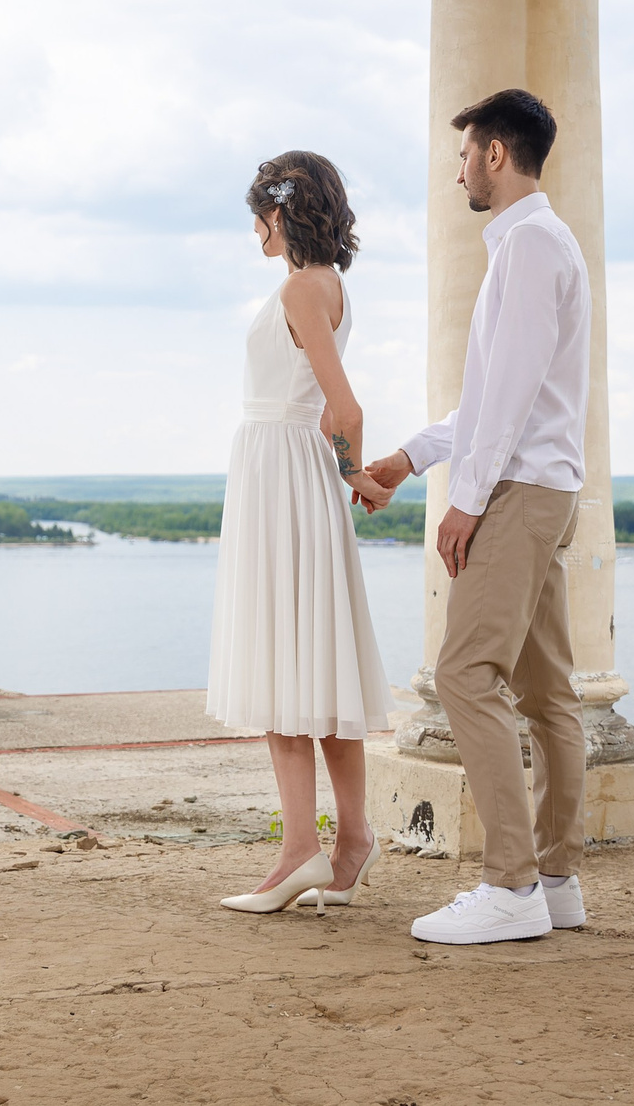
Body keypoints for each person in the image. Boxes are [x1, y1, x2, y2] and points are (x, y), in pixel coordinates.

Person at [362, 87, 592, 945]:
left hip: (519, 493)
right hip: (543, 486)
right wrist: (413, 456)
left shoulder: (530, 244)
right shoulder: (537, 244)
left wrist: (464, 501)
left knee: (464, 674)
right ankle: (556, 879)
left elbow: (515, 390)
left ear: (496, 153)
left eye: (464, 153)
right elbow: (495, 398)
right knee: (547, 693)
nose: (457, 168)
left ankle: (511, 884)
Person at [205, 151, 400, 914]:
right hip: (291, 472)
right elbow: (326, 405)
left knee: (283, 668)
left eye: (258, 212)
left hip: (281, 475)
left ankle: (300, 851)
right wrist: (345, 474)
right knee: (317, 671)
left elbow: (343, 408)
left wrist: (354, 473)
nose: (254, 226)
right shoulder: (331, 287)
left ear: (280, 212)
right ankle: (351, 840)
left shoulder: (296, 286)